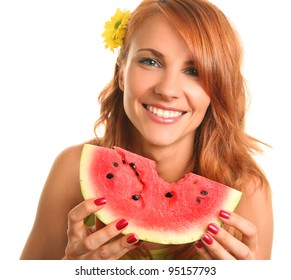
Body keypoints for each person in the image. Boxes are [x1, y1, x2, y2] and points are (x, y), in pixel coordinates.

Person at [20, 0, 273, 260]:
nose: (168, 89)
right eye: (150, 62)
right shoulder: (72, 169)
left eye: (193, 70)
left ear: (218, 88)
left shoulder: (247, 192)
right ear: (121, 71)